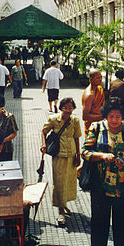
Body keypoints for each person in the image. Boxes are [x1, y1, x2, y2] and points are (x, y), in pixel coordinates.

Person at [82, 99, 124, 246]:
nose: (114, 120)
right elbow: (85, 151)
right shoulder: (96, 128)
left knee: (122, 227)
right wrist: (102, 156)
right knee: (99, 225)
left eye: (118, 116)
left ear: (122, 116)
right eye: (111, 116)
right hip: (100, 186)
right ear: (106, 116)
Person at [40, 97, 81, 226]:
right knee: (59, 182)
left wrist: (78, 155)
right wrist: (43, 144)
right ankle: (61, 211)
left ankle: (64, 204)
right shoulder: (54, 119)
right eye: (65, 107)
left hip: (71, 154)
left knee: (69, 180)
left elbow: (77, 138)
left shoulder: (75, 120)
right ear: (61, 108)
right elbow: (43, 131)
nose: (68, 110)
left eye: (70, 107)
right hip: (58, 154)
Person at [82, 70, 105, 136]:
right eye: (98, 78)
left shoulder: (99, 88)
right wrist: (103, 117)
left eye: (101, 77)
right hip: (91, 128)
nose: (100, 80)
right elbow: (85, 116)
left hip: (100, 125)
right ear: (91, 79)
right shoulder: (89, 95)